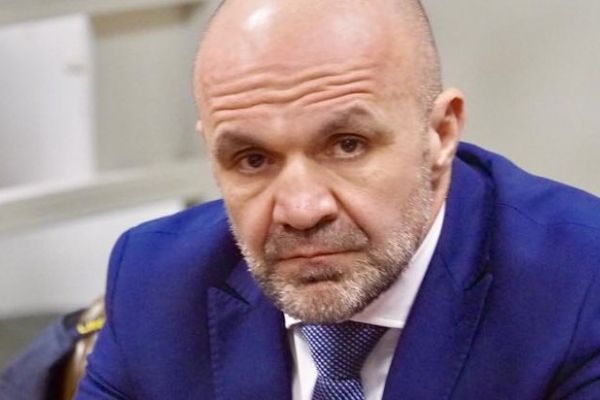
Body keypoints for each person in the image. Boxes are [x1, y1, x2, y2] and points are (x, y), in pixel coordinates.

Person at [76, 0, 600, 398]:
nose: (301, 211)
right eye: (252, 159)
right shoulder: (154, 280)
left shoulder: (581, 283)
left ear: (440, 133)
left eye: (348, 145)